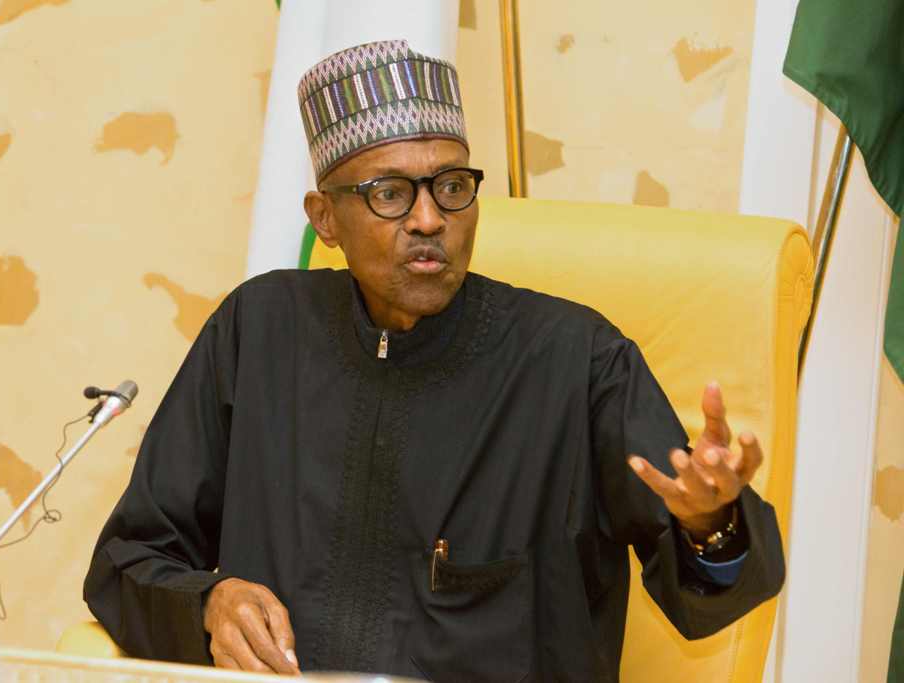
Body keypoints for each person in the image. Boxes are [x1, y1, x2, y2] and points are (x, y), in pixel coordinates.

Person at [84, 39, 784, 682]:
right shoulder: (259, 331)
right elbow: (127, 562)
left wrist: (711, 522)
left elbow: (709, 586)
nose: (428, 219)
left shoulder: (578, 361)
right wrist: (209, 601)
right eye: (390, 193)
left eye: (451, 186)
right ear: (324, 218)